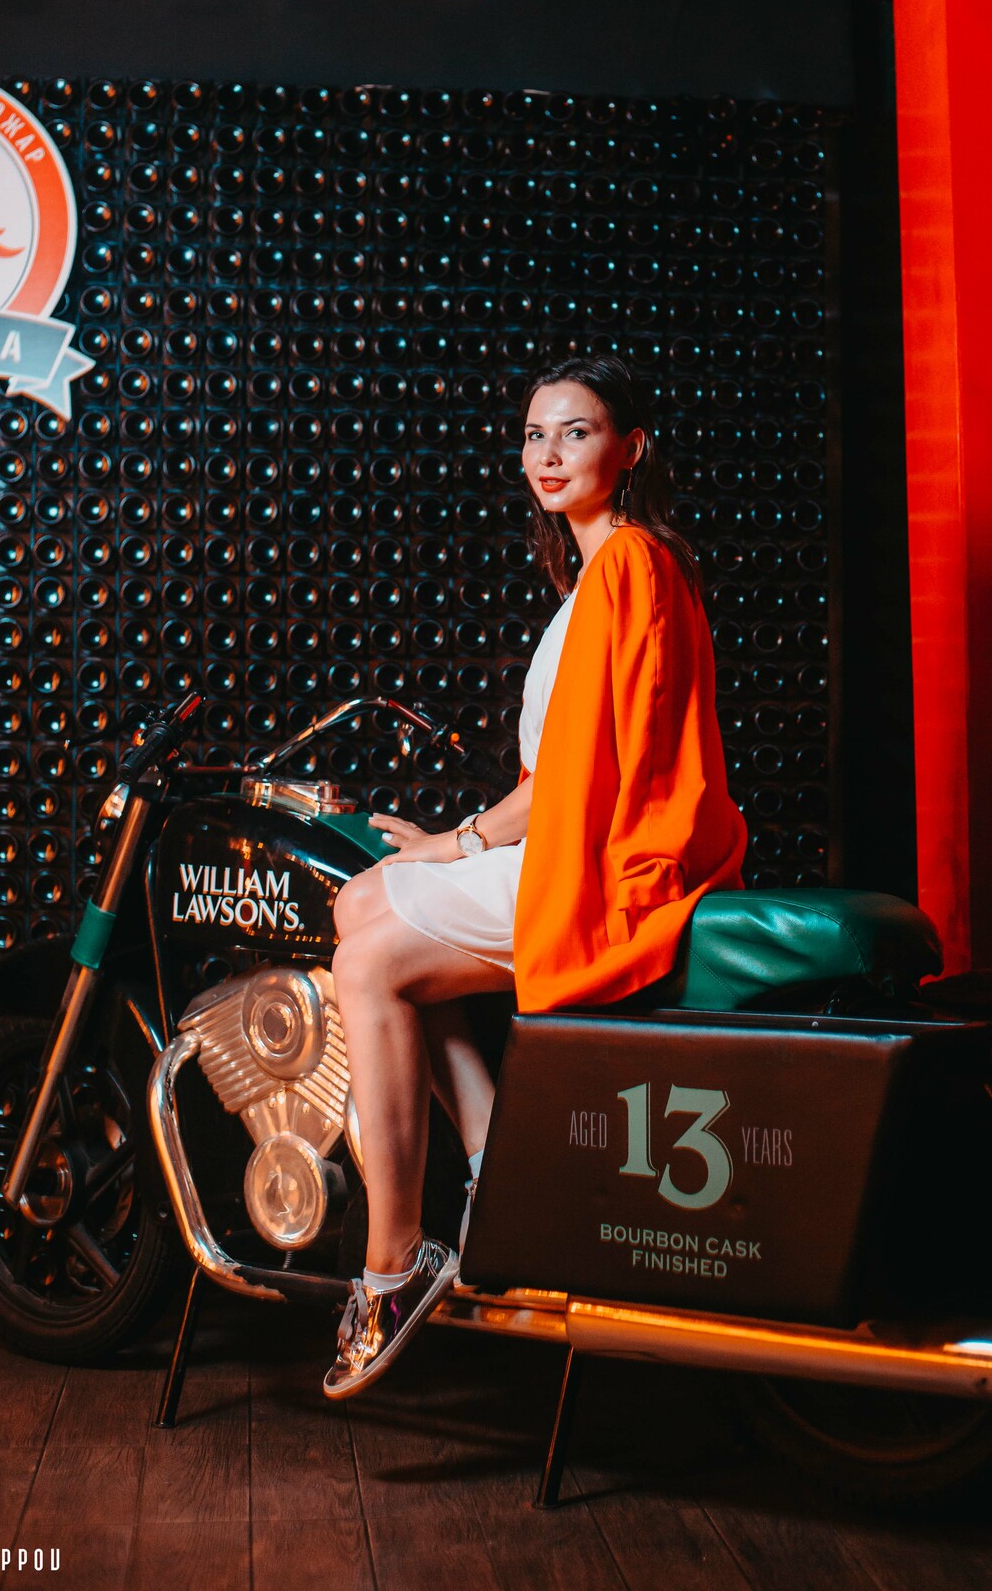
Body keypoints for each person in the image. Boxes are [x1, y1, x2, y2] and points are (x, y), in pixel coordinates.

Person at [322, 354, 748, 1399]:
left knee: (367, 958)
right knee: (363, 908)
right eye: (533, 436)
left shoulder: (629, 563)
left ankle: (392, 1267)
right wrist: (453, 843)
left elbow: (574, 779)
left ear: (630, 448)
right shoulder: (599, 572)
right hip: (574, 839)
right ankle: (490, 1170)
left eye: (576, 432)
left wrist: (454, 842)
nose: (548, 455)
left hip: (609, 864)